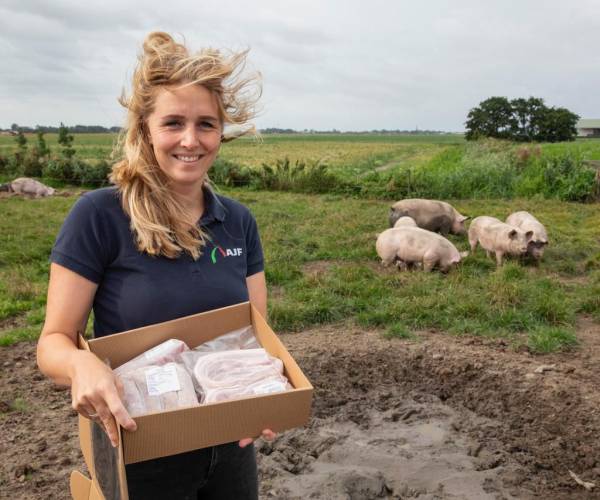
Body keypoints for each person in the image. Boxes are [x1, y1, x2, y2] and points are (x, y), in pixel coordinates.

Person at [36, 31, 273, 499]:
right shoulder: (99, 216)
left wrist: (266, 397)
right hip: (136, 445)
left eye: (206, 124)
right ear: (145, 129)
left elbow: (257, 334)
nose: (191, 140)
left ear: (221, 132)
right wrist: (81, 364)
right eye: (173, 123)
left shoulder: (238, 222)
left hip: (228, 443)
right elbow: (52, 343)